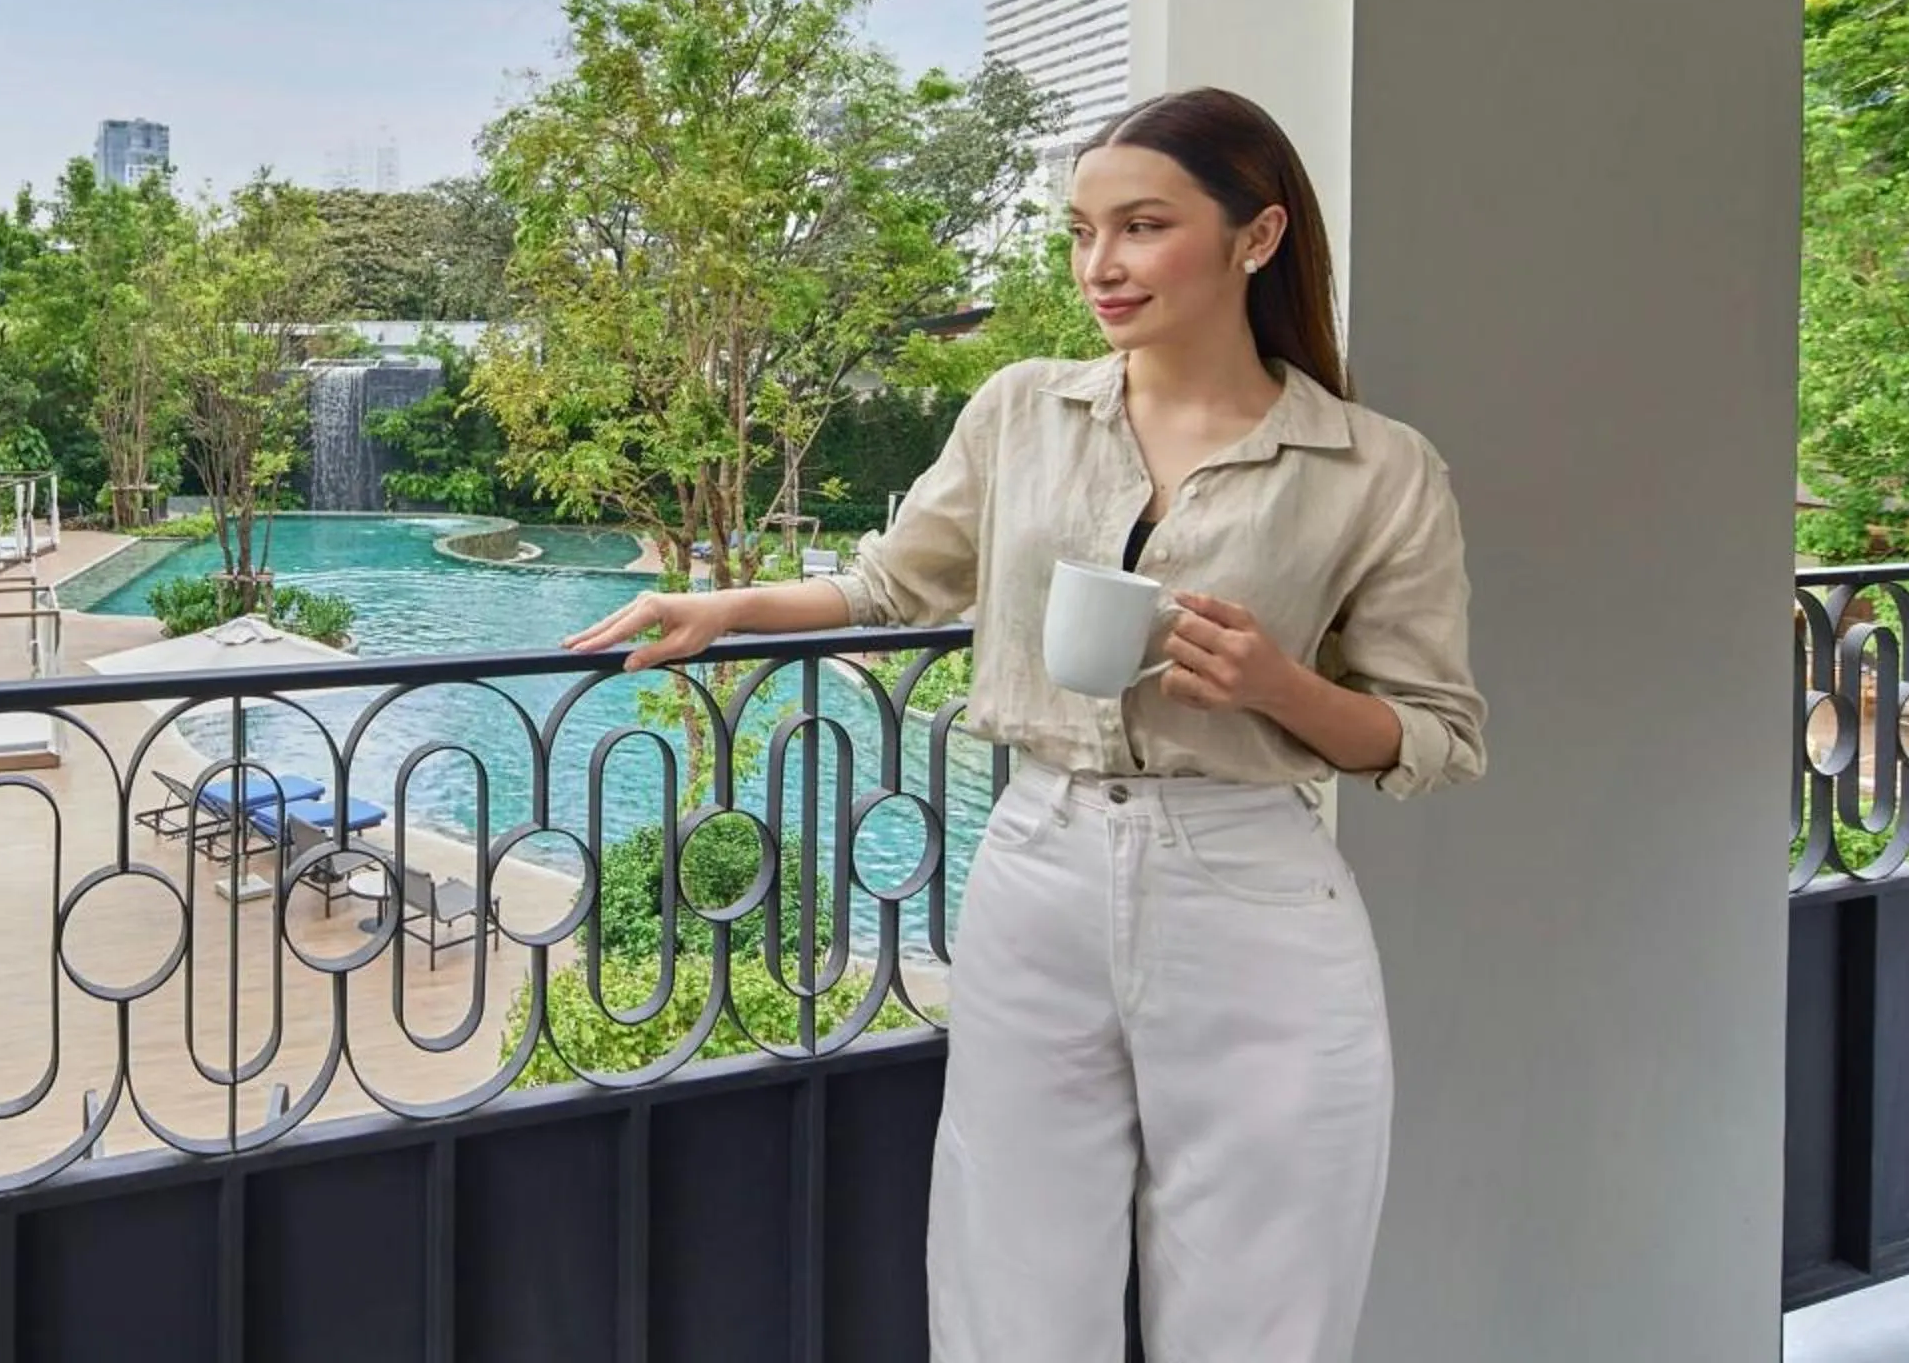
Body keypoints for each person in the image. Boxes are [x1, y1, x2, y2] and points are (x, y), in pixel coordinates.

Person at [563, 87, 1485, 1362]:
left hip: (1255, 894)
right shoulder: (1021, 409)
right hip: (1037, 864)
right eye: (1081, 229)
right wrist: (730, 603)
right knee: (1011, 1285)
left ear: (1256, 236)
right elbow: (897, 580)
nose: (1099, 265)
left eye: (1143, 225)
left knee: (1266, 1296)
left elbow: (1434, 733)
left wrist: (1281, 686)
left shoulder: (1377, 467)